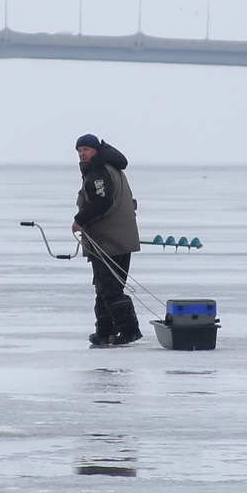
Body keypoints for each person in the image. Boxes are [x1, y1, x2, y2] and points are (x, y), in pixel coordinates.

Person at [71, 134, 141, 347]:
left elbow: (102, 201)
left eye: (86, 149)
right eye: (79, 150)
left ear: (96, 150)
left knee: (109, 287)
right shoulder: (111, 168)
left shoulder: (100, 170)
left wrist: (79, 220)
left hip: (108, 240)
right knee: (105, 285)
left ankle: (129, 330)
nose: (82, 154)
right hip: (120, 238)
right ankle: (104, 331)